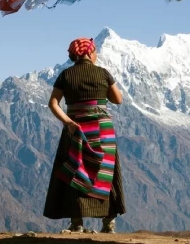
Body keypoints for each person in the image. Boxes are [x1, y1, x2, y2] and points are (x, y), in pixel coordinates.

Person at [43, 37, 126, 233]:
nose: (96, 55)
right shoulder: (103, 73)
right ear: (89, 53)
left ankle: (77, 222)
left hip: (76, 128)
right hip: (102, 129)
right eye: (95, 51)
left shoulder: (66, 75)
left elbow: (53, 103)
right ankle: (108, 223)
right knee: (105, 172)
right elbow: (118, 100)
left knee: (75, 169)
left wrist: (68, 122)